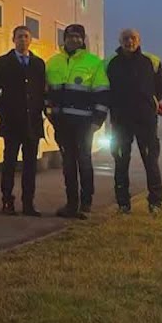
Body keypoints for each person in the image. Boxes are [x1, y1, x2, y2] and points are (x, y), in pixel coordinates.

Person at [44, 24, 108, 219]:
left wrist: (97, 121)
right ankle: (71, 205)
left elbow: (103, 95)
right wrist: (51, 116)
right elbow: (46, 93)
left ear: (83, 40)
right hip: (62, 124)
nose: (74, 40)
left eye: (78, 37)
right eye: (70, 36)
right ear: (64, 39)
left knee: (84, 162)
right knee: (68, 165)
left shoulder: (94, 63)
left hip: (85, 124)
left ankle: (86, 204)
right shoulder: (53, 62)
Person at [106, 28, 162, 215]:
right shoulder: (111, 63)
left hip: (146, 120)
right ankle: (123, 204)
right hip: (120, 121)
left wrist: (152, 101)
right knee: (120, 162)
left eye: (133, 38)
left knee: (151, 161)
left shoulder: (152, 62)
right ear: (120, 40)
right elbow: (104, 88)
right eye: (125, 38)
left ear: (139, 40)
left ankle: (155, 202)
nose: (129, 41)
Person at [0, 25, 46, 216]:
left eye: (26, 36)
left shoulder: (39, 64)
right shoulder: (2, 63)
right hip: (12, 123)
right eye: (19, 37)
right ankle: (7, 201)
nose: (23, 40)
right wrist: (4, 114)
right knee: (9, 164)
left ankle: (28, 203)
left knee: (30, 166)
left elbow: (42, 92)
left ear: (30, 40)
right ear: (13, 39)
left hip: (33, 124)